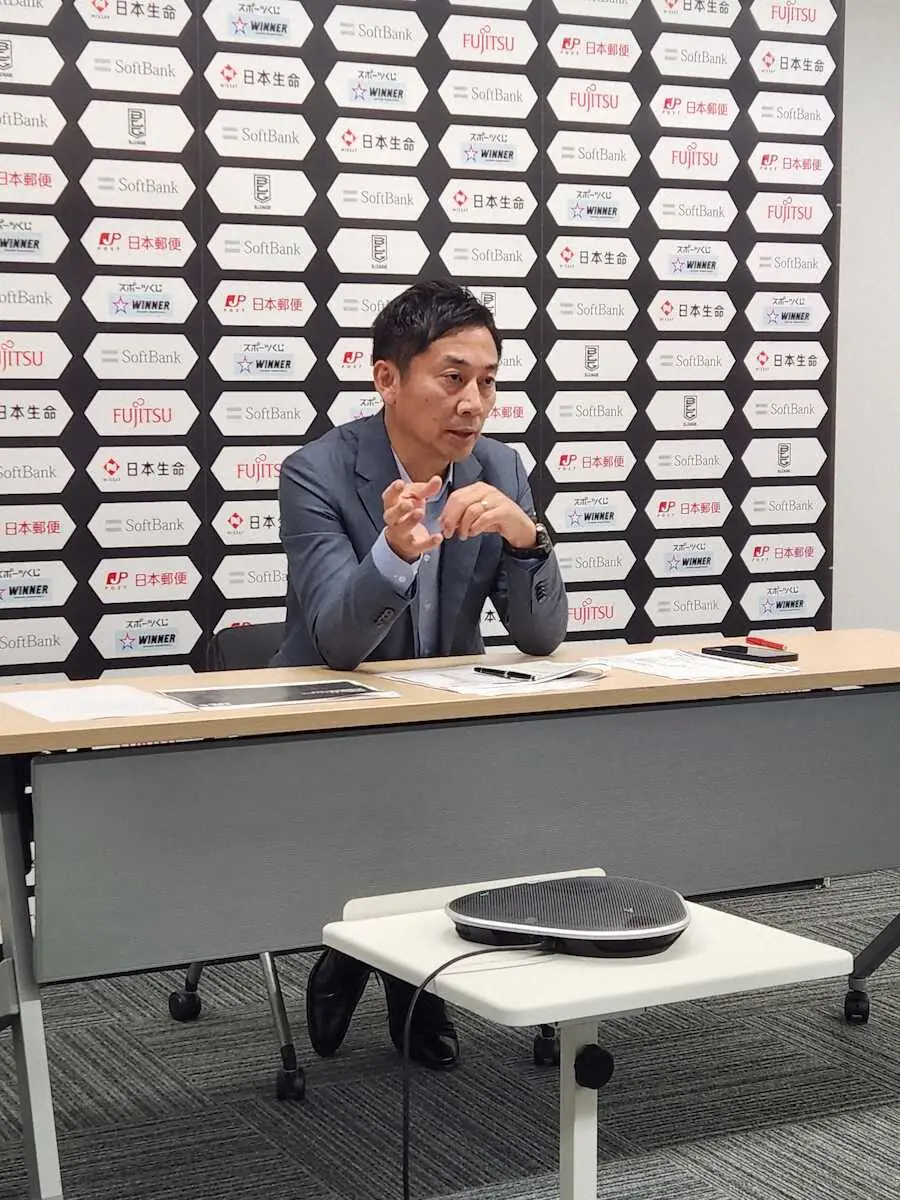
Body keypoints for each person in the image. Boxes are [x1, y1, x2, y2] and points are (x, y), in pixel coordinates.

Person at [273, 280, 568, 1069]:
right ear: (387, 379)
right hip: (330, 722)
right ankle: (391, 965)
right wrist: (394, 554)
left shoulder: (499, 467)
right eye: (453, 377)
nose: (474, 403)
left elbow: (540, 637)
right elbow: (338, 641)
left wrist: (528, 539)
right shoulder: (316, 473)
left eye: (489, 381)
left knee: (469, 789)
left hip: (443, 724)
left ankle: (371, 960)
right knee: (398, 800)